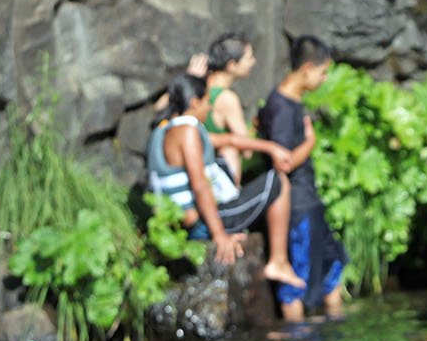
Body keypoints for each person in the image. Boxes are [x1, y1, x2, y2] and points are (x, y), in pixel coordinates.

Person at [147, 74, 304, 287]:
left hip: (180, 224)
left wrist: (270, 147)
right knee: (277, 181)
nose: (209, 109)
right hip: (201, 225)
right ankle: (278, 261)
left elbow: (228, 140)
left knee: (222, 159)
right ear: (194, 102)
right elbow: (199, 185)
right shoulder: (188, 131)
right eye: (206, 103)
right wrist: (220, 235)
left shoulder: (163, 131)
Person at [255, 35, 347, 321]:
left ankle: (335, 322)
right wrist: (310, 142)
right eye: (322, 72)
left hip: (309, 198)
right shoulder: (282, 106)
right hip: (296, 203)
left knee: (333, 262)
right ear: (307, 68)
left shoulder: (291, 102)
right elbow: (283, 161)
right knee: (297, 278)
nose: (324, 79)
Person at [200, 31, 295, 188]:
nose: (253, 62)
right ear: (232, 65)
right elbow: (246, 151)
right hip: (220, 183)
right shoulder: (226, 98)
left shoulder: (196, 87)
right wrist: (255, 129)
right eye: (249, 58)